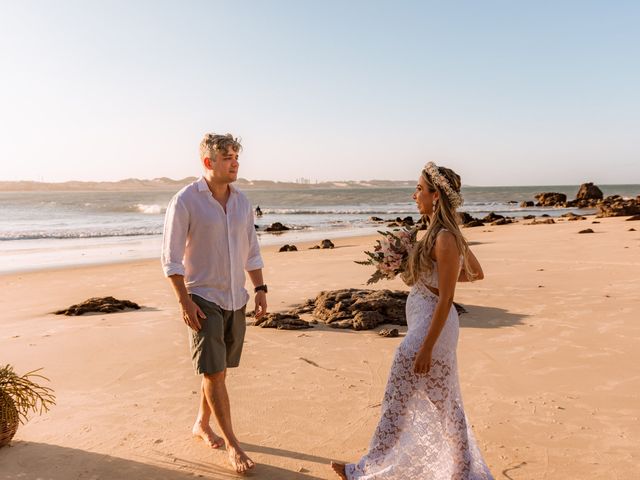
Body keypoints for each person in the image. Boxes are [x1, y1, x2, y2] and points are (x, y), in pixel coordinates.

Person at [331, 162, 494, 479]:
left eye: (419, 188)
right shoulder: (439, 234)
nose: (414, 194)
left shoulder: (445, 238)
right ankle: (462, 473)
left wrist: (426, 348)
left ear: (436, 196)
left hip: (432, 332)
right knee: (444, 405)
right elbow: (465, 274)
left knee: (401, 401)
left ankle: (364, 470)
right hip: (426, 327)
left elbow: (448, 296)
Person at [161, 133, 267, 474]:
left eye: (236, 156)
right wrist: (184, 302)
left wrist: (261, 288)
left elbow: (251, 250)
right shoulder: (186, 201)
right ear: (208, 162)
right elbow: (171, 259)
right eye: (227, 158)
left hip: (236, 297)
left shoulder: (242, 202)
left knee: (218, 370)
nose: (235, 163)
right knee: (214, 371)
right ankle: (233, 445)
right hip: (202, 299)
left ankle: (201, 424)